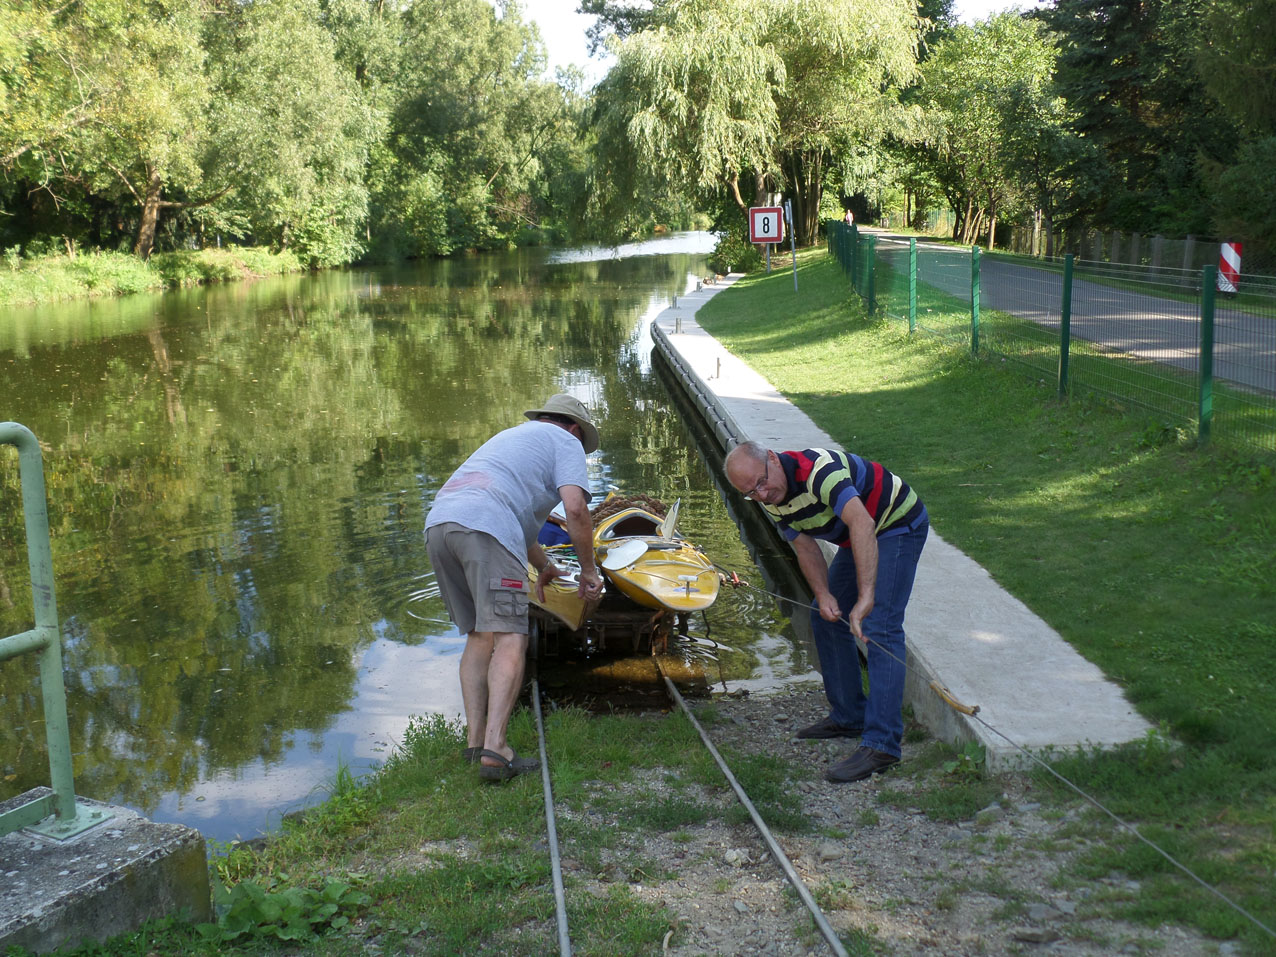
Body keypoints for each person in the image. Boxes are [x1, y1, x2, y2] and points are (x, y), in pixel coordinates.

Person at [724, 440, 928, 783]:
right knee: (824, 612)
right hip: (858, 534)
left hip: (895, 523)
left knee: (880, 626)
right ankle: (850, 716)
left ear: (772, 459)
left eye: (761, 483)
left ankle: (883, 745)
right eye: (750, 493)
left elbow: (862, 523)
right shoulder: (771, 496)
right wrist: (824, 594)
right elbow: (804, 548)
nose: (760, 494)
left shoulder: (819, 472)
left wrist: (865, 597)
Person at [425, 394, 605, 781]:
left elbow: (517, 527)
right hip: (485, 528)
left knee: (479, 635)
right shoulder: (567, 441)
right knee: (510, 638)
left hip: (440, 525)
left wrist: (547, 567)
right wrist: (589, 572)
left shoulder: (515, 438)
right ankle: (497, 750)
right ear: (574, 428)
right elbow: (575, 509)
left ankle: (475, 745)